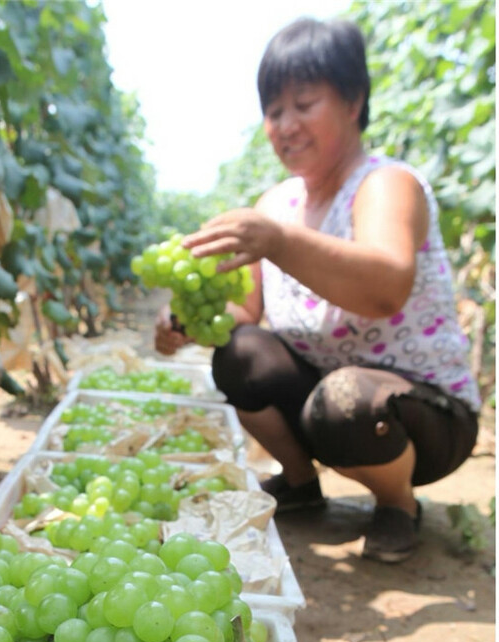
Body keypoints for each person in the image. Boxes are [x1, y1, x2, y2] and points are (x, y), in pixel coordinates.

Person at [155, 17, 481, 563]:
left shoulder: (385, 184)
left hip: (420, 414)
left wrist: (281, 243)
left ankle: (398, 504)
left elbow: (385, 288)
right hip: (329, 398)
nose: (286, 125)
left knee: (343, 402)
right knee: (239, 354)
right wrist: (186, 321)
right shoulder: (277, 204)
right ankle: (301, 484)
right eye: (274, 110)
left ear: (353, 102)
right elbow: (247, 312)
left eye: (304, 104)